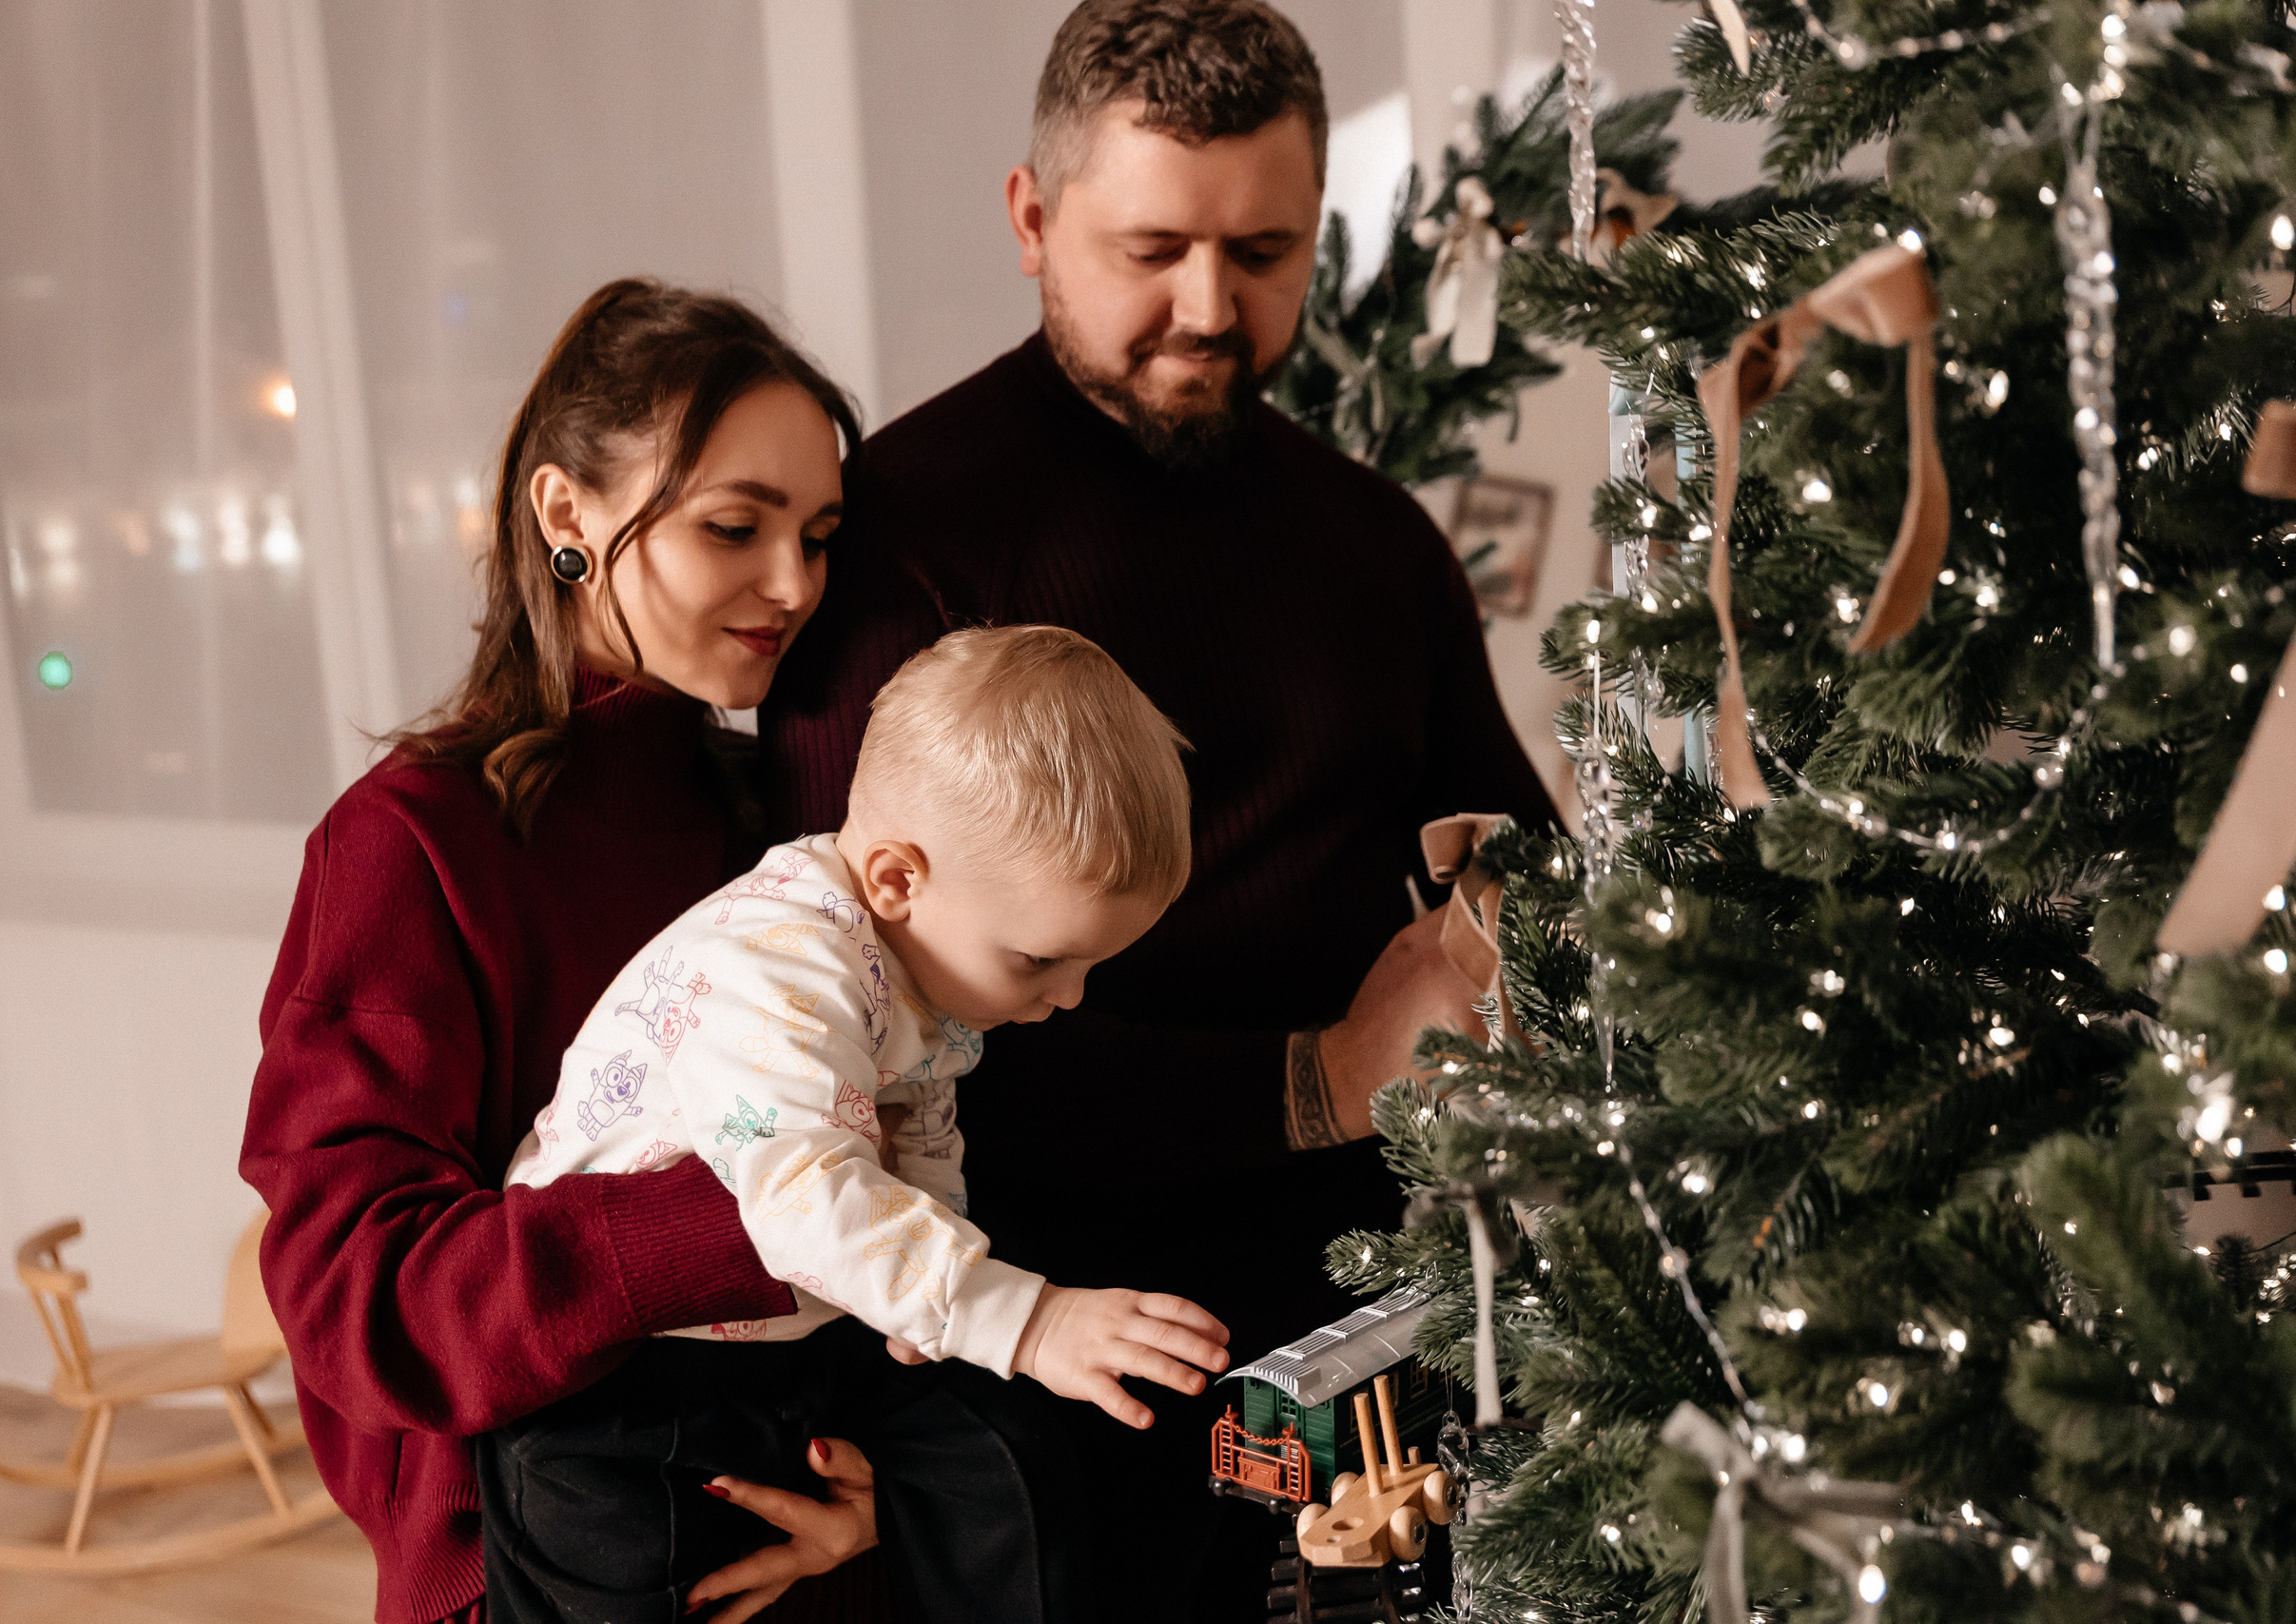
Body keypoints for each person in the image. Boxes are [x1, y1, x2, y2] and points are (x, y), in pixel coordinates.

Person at [762, 2, 1561, 1614]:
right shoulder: (906, 544)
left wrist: (1504, 947)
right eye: (1152, 250)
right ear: (1030, 219)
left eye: (1264, 252)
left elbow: (1516, 857)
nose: (1210, 308)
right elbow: (855, 1043)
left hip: (1376, 1315)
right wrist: (1314, 1078)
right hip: (1037, 1355)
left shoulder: (1375, 542)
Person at [241, 280, 892, 1624]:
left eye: (819, 537)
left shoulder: (778, 820)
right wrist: (738, 1218)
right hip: (516, 1571)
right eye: (734, 526)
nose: (794, 584)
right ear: (566, 515)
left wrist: (877, 1492)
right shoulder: (408, 843)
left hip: (788, 1531)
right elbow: (357, 1298)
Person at [484, 624, 1234, 1624]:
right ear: (896, 880)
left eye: (1090, 966)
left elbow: (919, 1133)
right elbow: (809, 1202)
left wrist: (928, 1308)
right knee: (622, 1568)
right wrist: (1025, 1317)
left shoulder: (920, 962)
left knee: (1005, 1455)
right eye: (1040, 961)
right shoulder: (775, 971)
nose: (1068, 998)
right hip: (619, 1366)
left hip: (800, 1327)